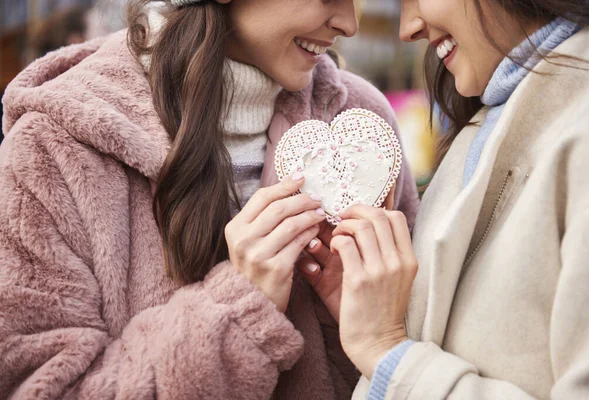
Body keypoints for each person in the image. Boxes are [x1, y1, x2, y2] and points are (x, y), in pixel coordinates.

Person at [0, 0, 419, 399]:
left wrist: (365, 325)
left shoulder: (362, 133)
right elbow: (39, 386)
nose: (349, 24)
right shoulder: (52, 147)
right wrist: (239, 309)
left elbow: (413, 347)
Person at [297, 0, 589, 399]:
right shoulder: (481, 125)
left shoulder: (586, 133)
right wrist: (383, 317)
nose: (409, 28)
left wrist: (387, 351)